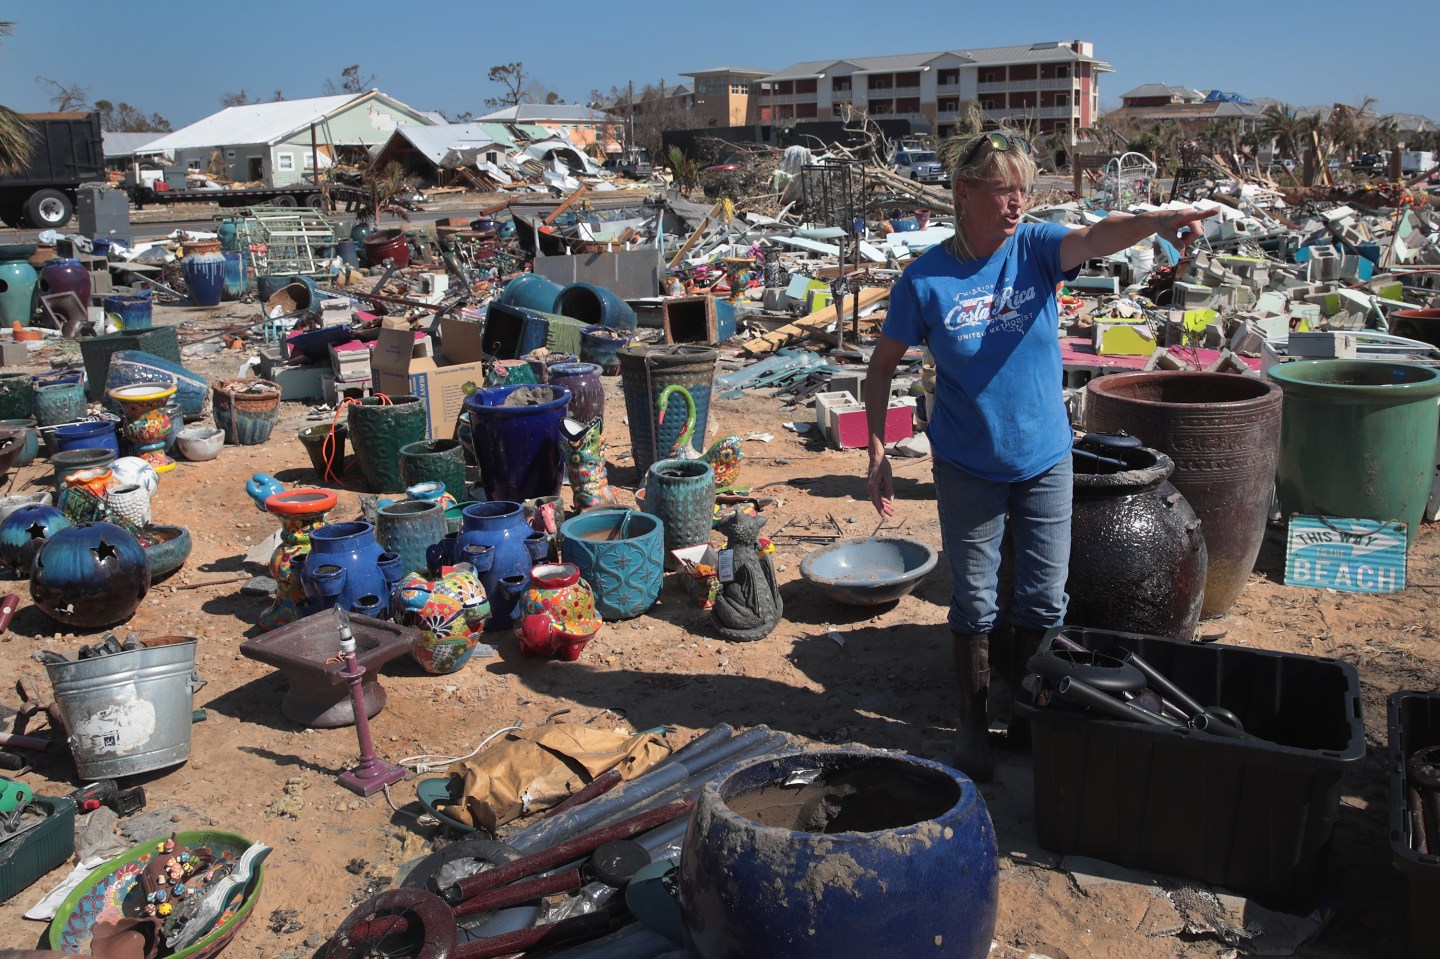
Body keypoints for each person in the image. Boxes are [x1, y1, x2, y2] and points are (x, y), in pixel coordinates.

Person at [863, 131, 1215, 780]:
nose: (1017, 203)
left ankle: (1027, 718)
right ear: (965, 194)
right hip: (968, 465)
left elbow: (1097, 234)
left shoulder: (1036, 249)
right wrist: (879, 446)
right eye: (1003, 190)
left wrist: (1159, 220)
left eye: (1024, 189)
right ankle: (973, 735)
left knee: (1044, 601)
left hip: (1047, 459)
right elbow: (881, 367)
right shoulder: (927, 279)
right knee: (973, 603)